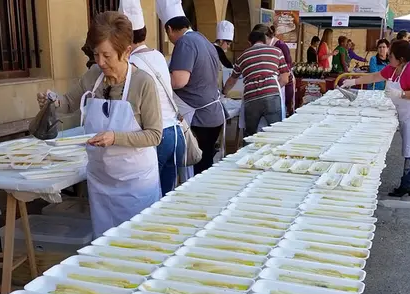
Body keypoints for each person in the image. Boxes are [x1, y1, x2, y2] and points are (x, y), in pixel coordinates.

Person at [37, 11, 162, 237]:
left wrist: (116, 137)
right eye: (96, 55)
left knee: (138, 245)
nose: (100, 62)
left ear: (126, 52)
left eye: (107, 56)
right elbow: (68, 103)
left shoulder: (143, 83)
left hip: (135, 184)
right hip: (101, 183)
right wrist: (51, 101)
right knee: (104, 247)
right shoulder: (93, 75)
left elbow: (154, 135)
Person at [342, 40, 410, 197]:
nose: (388, 57)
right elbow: (375, 76)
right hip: (405, 112)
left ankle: (408, 184)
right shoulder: (394, 69)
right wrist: (354, 81)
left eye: (391, 55)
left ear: (401, 58)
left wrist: (401, 94)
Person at [120, 0, 185, 195]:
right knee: (166, 197)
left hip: (156, 137)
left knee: (147, 198)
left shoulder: (129, 64)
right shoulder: (158, 56)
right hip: (175, 134)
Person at [159, 0, 225, 175]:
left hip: (199, 117)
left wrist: (160, 80)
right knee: (206, 163)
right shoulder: (203, 39)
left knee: (198, 167)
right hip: (213, 114)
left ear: (169, 29)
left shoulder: (185, 43)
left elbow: (179, 81)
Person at [222, 31, 289, 138]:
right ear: (265, 40)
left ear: (250, 42)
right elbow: (285, 78)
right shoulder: (277, 51)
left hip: (251, 98)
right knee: (276, 133)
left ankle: (247, 153)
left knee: (250, 136)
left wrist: (223, 93)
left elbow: (232, 80)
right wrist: (272, 87)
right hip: (272, 96)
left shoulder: (242, 56)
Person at [252, 24, 294, 116]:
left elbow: (286, 71)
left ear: (265, 36)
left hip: (282, 86)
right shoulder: (264, 47)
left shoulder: (281, 46)